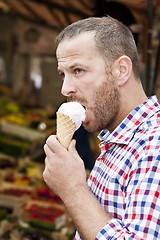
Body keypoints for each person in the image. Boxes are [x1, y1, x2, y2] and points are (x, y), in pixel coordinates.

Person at [43, 16, 160, 240]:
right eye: (62, 74)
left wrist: (73, 188)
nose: (65, 89)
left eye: (77, 70)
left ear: (121, 70)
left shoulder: (154, 144)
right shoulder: (118, 139)